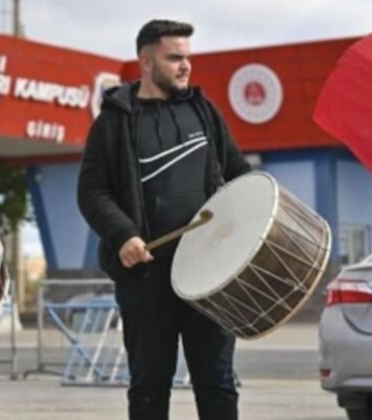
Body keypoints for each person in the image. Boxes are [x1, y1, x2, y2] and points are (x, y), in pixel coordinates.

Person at [77, 19, 251, 420]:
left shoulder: (204, 112)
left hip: (208, 273)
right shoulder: (114, 121)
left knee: (219, 383)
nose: (185, 66)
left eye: (187, 57)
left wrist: (262, 205)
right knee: (150, 387)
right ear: (147, 61)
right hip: (146, 276)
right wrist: (123, 236)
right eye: (175, 58)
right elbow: (92, 192)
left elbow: (239, 171)